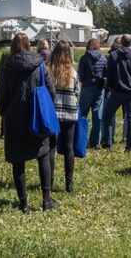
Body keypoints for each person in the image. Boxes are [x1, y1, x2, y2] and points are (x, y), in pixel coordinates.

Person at [0, 33, 58, 212]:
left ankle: (23, 204)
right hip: (36, 115)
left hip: (15, 118)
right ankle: (46, 200)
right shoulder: (39, 65)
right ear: (29, 45)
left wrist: (5, 113)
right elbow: (51, 89)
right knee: (43, 156)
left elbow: (2, 94)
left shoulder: (7, 66)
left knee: (18, 161)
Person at [100, 34, 131, 152]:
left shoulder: (113, 56)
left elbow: (109, 75)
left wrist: (110, 87)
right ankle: (129, 147)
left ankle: (108, 143)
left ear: (121, 43)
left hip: (117, 91)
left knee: (107, 116)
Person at [50, 40, 80, 192]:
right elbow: (77, 92)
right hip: (69, 113)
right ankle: (69, 184)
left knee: (51, 148)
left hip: (53, 114)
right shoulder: (73, 73)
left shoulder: (50, 71)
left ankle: (49, 180)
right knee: (69, 149)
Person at [77, 38, 107, 148]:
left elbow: (80, 74)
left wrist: (85, 80)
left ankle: (80, 140)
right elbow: (106, 73)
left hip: (87, 88)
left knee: (82, 114)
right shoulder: (103, 58)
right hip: (99, 89)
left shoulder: (84, 58)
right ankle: (95, 143)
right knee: (97, 116)